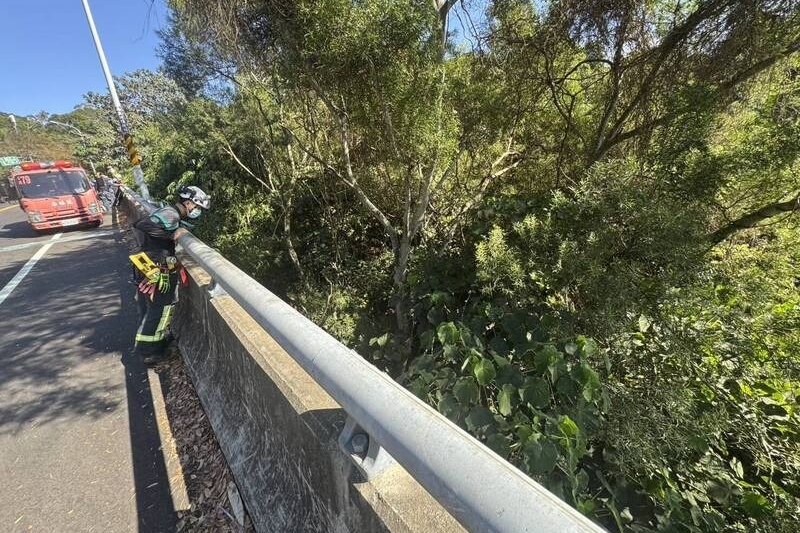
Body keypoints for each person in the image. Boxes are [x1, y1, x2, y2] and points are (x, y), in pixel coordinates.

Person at [130, 184, 211, 364]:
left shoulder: (171, 213)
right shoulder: (171, 213)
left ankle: (153, 343)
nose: (198, 212)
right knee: (160, 308)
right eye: (197, 208)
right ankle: (150, 352)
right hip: (156, 266)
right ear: (189, 203)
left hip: (156, 264)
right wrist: (172, 235)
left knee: (154, 308)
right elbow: (141, 224)